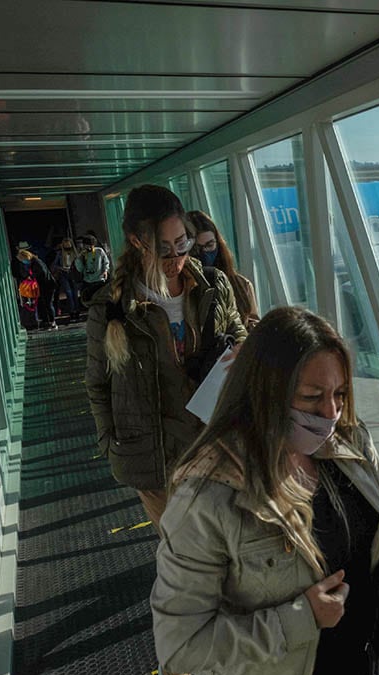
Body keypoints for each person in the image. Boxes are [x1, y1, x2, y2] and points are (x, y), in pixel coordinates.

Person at [151, 306, 379, 675]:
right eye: (312, 396)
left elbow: (374, 479)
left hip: (361, 667)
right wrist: (301, 618)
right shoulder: (207, 497)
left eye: (339, 394)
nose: (331, 412)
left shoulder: (341, 439)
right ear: (265, 390)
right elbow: (181, 644)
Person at [85, 184, 247, 590]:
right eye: (166, 248)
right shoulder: (110, 308)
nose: (178, 257)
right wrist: (112, 443)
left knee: (230, 550)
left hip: (213, 445)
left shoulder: (212, 285)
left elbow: (238, 332)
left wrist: (242, 349)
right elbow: (97, 385)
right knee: (186, 558)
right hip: (154, 458)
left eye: (183, 243)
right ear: (138, 242)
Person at [187, 210, 260, 330]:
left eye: (209, 245)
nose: (204, 253)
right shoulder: (180, 288)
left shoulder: (241, 285)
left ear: (218, 244)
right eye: (196, 248)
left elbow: (252, 325)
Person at [15, 247, 58, 330]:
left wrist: (32, 276)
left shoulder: (36, 262)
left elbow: (42, 273)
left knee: (48, 304)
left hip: (47, 285)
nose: (23, 262)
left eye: (22, 260)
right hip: (44, 285)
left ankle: (53, 321)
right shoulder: (34, 261)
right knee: (45, 303)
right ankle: (48, 321)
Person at [75, 234, 111, 306]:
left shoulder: (99, 251)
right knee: (89, 300)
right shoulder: (83, 254)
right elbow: (80, 269)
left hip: (99, 279)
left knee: (101, 298)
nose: (89, 247)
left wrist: (105, 271)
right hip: (88, 280)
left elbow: (106, 262)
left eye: (91, 245)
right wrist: (79, 258)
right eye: (87, 245)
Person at [51, 237, 80, 319]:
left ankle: (77, 310)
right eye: (65, 245)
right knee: (69, 293)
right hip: (64, 273)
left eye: (68, 245)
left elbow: (80, 262)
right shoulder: (60, 254)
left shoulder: (75, 253)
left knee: (75, 293)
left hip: (73, 273)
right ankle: (72, 311)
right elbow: (54, 265)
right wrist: (61, 268)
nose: (67, 247)